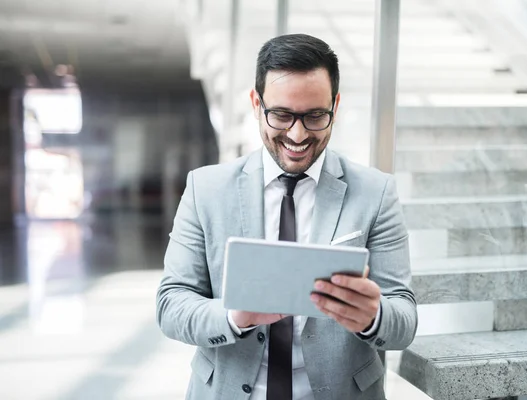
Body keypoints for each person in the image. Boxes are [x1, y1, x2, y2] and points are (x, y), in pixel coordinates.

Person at [156, 33, 418, 400]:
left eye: (315, 116)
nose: (297, 135)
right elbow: (171, 304)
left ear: (335, 106)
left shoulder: (376, 193)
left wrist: (373, 317)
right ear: (255, 102)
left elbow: (404, 320)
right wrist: (235, 317)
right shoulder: (206, 189)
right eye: (281, 115)